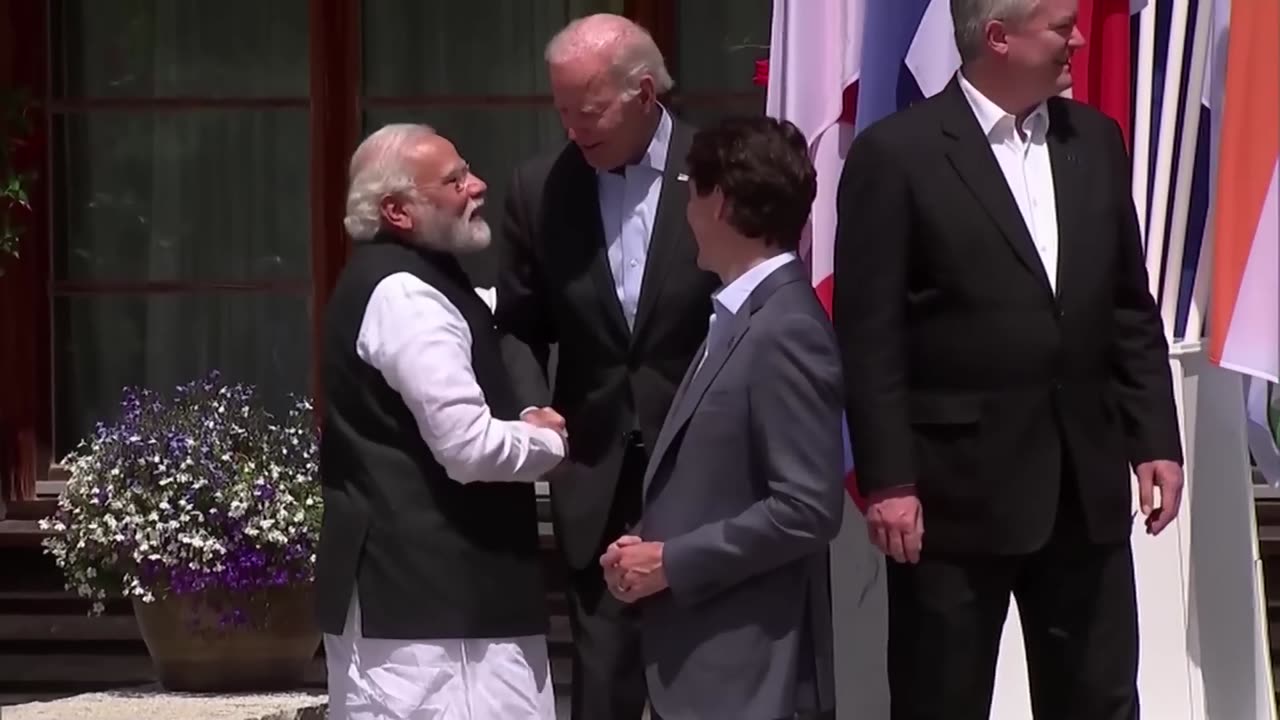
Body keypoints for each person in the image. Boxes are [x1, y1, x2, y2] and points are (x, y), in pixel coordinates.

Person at [832, 0, 1185, 718]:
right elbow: (870, 338)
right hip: (950, 498)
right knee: (943, 700)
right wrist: (890, 480)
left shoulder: (1097, 139)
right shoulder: (898, 154)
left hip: (1083, 488)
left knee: (1101, 697)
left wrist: (1155, 438)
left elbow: (1126, 304)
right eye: (1062, 28)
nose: (1079, 40)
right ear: (998, 37)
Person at [494, 13, 719, 720]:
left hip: (708, 467)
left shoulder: (719, 169)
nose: (573, 130)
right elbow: (517, 327)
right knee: (605, 690)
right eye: (560, 110)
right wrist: (532, 407)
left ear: (645, 93)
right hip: (596, 473)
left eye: (587, 112)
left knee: (712, 680)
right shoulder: (540, 189)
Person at [316, 123, 570, 720]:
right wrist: (549, 441)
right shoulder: (406, 296)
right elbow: (469, 447)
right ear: (398, 211)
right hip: (433, 626)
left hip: (434, 610)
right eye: (454, 180)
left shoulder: (420, 280)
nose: (477, 185)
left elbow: (483, 319)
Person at [602, 116, 845, 720]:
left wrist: (671, 562)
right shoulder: (742, 316)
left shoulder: (785, 328)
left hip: (749, 675)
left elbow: (807, 508)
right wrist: (647, 548)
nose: (685, 213)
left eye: (691, 190)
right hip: (704, 667)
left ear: (722, 202)